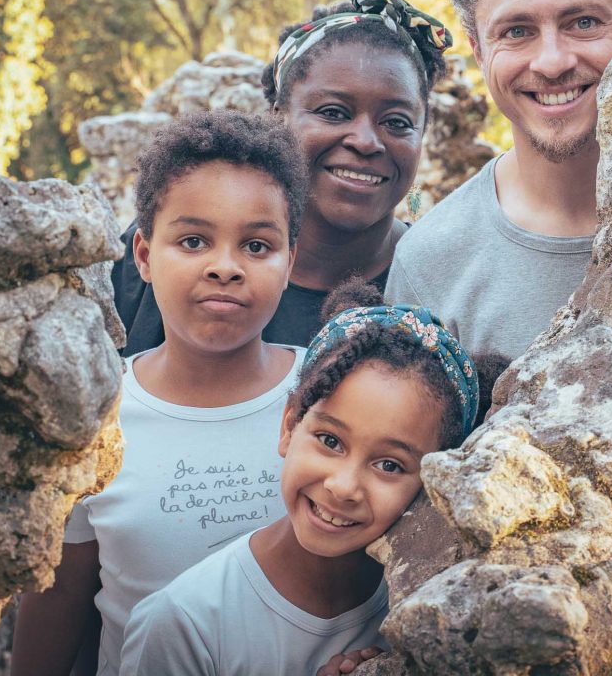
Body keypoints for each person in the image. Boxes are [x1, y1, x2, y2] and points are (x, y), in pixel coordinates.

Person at [12, 111, 309, 676]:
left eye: (256, 245)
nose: (225, 267)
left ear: (289, 261)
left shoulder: (327, 395)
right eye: (193, 241)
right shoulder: (97, 412)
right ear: (144, 256)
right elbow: (61, 593)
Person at [119, 280, 491, 676]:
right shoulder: (185, 624)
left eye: (389, 465)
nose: (342, 486)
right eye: (330, 441)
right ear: (290, 425)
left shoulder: (441, 610)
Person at [385, 0, 612, 359]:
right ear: (479, 51)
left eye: (583, 22)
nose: (552, 62)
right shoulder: (429, 266)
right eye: (516, 32)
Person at [114, 0, 451, 354]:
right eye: (333, 112)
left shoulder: (442, 283)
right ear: (278, 118)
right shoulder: (160, 255)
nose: (366, 141)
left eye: (397, 122)